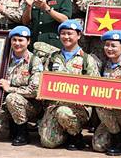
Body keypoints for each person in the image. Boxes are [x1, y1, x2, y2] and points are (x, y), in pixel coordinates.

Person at [38, 20, 100, 150]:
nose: (66, 37)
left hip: (78, 108)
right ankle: (64, 133)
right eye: (63, 33)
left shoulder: (87, 59)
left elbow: (95, 86)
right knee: (47, 142)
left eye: (70, 33)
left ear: (78, 35)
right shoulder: (53, 58)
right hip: (55, 105)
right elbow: (44, 79)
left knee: (63, 112)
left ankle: (76, 136)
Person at [0, 26, 43, 146]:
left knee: (12, 98)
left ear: (28, 41)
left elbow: (35, 90)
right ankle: (12, 127)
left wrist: (9, 88)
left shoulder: (34, 61)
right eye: (14, 40)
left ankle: (22, 133)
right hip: (6, 104)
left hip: (30, 105)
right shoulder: (3, 59)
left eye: (21, 40)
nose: (17, 43)